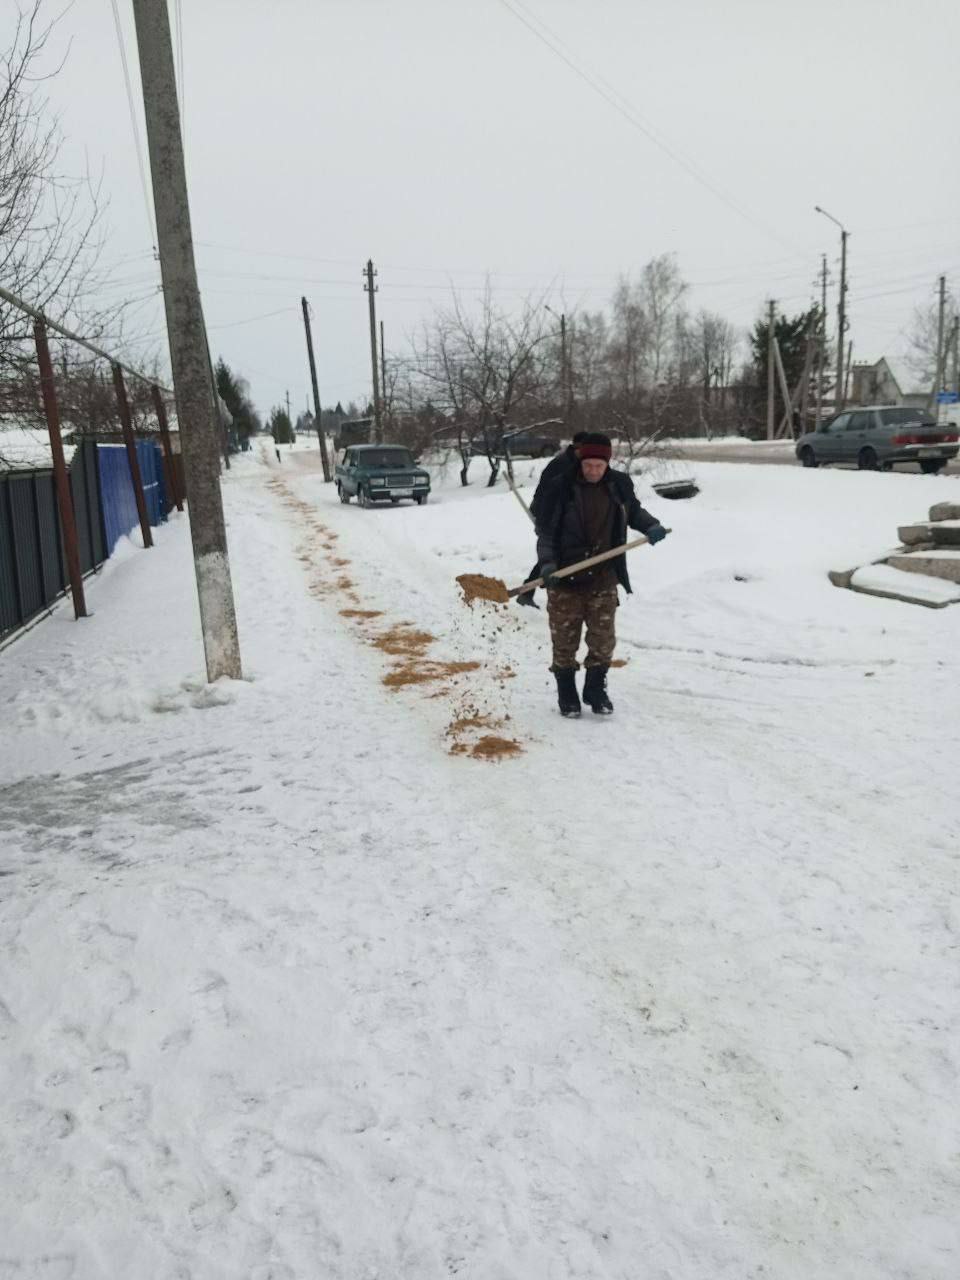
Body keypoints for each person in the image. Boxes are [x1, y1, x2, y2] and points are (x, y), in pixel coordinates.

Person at [533, 431, 668, 717]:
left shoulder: (618, 486)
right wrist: (547, 565)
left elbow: (634, 512)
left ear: (607, 463)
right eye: (588, 465)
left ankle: (595, 689)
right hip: (565, 579)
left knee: (603, 639)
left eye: (599, 465)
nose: (593, 470)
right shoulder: (562, 488)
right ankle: (567, 693)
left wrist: (651, 526)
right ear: (581, 462)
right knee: (564, 641)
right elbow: (545, 534)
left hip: (603, 577)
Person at [515, 431, 589, 608]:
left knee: (555, 553)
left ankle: (527, 591)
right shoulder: (561, 464)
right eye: (584, 449)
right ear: (577, 447)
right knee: (553, 551)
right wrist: (545, 520)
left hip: (560, 514)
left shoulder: (577, 462)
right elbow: (547, 494)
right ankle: (528, 590)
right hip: (546, 513)